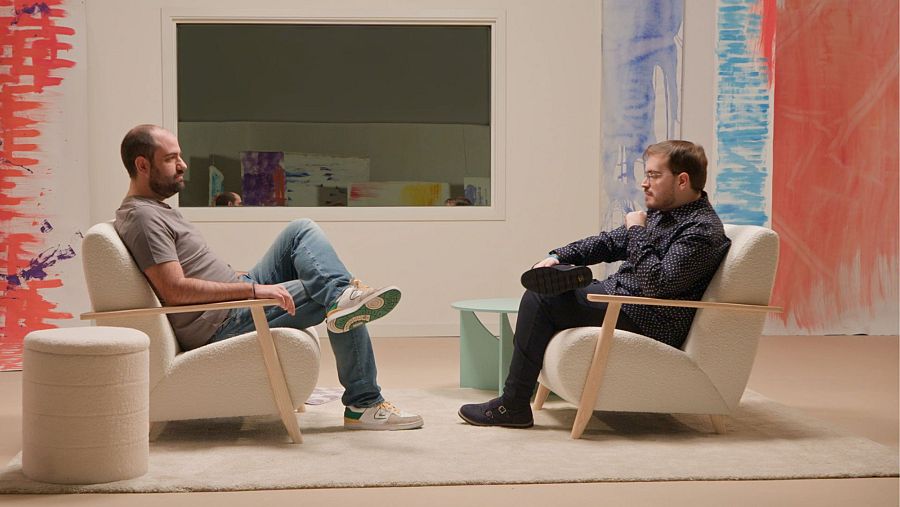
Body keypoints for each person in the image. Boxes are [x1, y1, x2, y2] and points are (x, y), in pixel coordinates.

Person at [115, 124, 422, 431]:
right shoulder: (144, 217)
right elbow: (175, 291)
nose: (182, 165)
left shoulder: (153, 209)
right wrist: (253, 291)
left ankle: (342, 296)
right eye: (171, 158)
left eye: (179, 156)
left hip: (233, 299)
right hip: (221, 321)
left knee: (300, 231)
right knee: (324, 294)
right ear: (143, 165)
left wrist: (246, 283)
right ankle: (363, 403)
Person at [458, 140, 731, 428]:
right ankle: (569, 275)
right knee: (549, 285)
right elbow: (609, 242)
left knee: (542, 298)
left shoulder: (701, 231)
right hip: (622, 299)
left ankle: (513, 405)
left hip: (649, 317)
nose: (644, 183)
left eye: (653, 175)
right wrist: (558, 256)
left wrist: (637, 231)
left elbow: (657, 285)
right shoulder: (664, 216)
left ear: (682, 180)